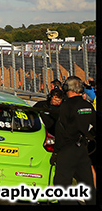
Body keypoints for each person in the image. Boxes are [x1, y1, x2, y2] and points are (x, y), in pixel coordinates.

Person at [53, 76, 96, 205]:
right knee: (87, 183)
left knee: (61, 184)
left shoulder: (66, 106)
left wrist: (56, 152)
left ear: (67, 88)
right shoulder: (87, 105)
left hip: (67, 148)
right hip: (82, 148)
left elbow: (60, 130)